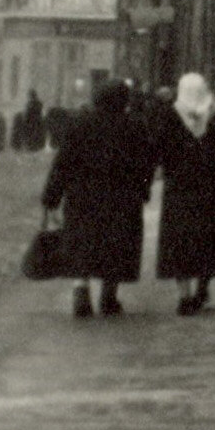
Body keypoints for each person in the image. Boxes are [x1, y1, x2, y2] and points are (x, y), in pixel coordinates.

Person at [39, 80, 157, 318]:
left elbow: (62, 165)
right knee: (116, 245)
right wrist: (143, 191)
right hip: (122, 199)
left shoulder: (80, 125)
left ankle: (81, 291)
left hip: (83, 198)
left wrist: (51, 198)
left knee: (82, 243)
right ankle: (109, 295)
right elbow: (147, 164)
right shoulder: (135, 127)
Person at [155, 72, 215, 315]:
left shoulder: (171, 115)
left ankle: (184, 295)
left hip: (180, 190)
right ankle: (202, 288)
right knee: (209, 241)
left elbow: (160, 149)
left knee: (180, 243)